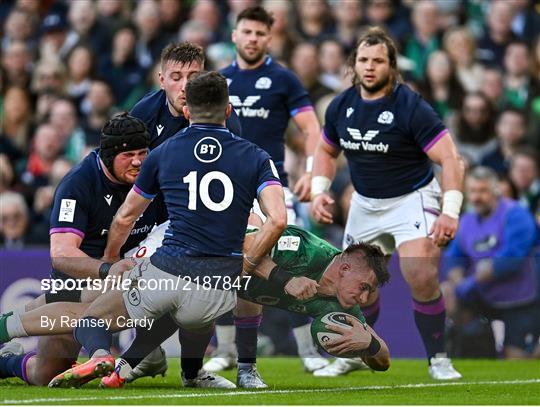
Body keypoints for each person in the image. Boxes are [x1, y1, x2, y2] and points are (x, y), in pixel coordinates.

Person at [44, 71, 287, 389]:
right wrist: (249, 266)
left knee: (92, 315)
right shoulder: (256, 157)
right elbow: (278, 220)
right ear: (229, 110)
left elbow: (124, 217)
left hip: (165, 268)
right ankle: (230, 370)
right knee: (199, 301)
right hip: (216, 285)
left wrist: (111, 259)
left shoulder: (162, 154)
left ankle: (111, 358)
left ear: (187, 112)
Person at [1, 219, 392, 386]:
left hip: (204, 283)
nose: (365, 297)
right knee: (98, 310)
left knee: (104, 312)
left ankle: (21, 331)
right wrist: (284, 280)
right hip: (185, 249)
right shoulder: (302, 248)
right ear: (343, 267)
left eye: (369, 293)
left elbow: (383, 359)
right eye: (365, 286)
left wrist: (370, 346)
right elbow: (239, 238)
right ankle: (17, 323)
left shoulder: (342, 304)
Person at [310, 27, 465, 380]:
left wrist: (449, 212)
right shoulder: (341, 106)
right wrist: (320, 189)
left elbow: (452, 159)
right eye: (363, 60)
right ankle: (354, 350)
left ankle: (438, 358)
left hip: (412, 198)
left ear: (391, 67)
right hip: (366, 203)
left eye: (378, 61)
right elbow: (325, 149)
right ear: (354, 64)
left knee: (421, 273)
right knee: (352, 290)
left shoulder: (410, 106)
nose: (369, 67)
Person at [208, 5, 326, 384]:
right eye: (247, 32)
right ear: (234, 35)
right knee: (228, 266)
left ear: (268, 38)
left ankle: (308, 351)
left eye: (260, 33)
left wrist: (310, 172)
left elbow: (311, 129)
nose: (253, 39)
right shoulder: (219, 81)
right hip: (225, 190)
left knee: (286, 263)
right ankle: (225, 350)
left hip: (270, 186)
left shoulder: (283, 79)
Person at [0, 113, 161, 386]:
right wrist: (108, 269)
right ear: (108, 156)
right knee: (45, 375)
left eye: (143, 153)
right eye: (129, 155)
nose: (138, 162)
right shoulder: (78, 184)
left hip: (132, 271)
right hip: (83, 277)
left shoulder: (155, 173)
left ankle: (150, 357)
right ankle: (7, 360)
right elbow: (61, 254)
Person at [442, 167, 540, 358]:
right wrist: (458, 280)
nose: (477, 197)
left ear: (495, 191)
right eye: (473, 191)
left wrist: (472, 280)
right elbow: (453, 257)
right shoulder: (466, 220)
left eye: (483, 191)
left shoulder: (516, 214)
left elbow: (510, 259)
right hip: (483, 295)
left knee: (517, 358)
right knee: (446, 290)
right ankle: (461, 345)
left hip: (519, 298)